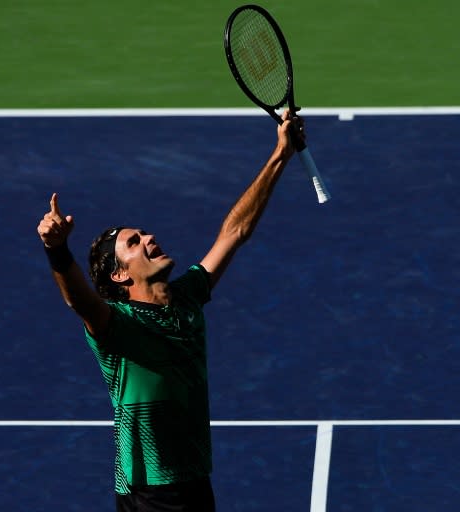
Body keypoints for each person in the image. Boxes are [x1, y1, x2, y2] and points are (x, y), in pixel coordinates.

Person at [36, 110, 305, 511]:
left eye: (144, 233)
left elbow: (235, 232)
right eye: (133, 242)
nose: (149, 237)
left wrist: (281, 154)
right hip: (149, 492)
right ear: (120, 276)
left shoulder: (187, 298)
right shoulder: (115, 326)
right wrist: (56, 250)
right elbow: (77, 300)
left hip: (194, 479)